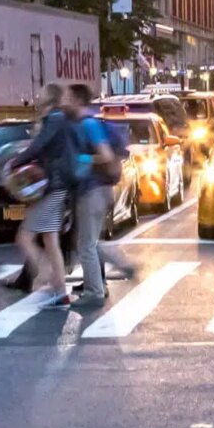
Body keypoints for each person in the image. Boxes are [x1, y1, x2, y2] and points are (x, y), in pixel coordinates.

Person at [7, 83, 80, 306]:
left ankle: (46, 275)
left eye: (41, 95)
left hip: (52, 186)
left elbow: (39, 145)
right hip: (58, 185)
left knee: (25, 237)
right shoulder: (62, 118)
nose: (37, 97)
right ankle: (60, 291)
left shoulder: (55, 118)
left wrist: (15, 162)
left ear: (49, 98)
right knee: (50, 239)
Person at [68, 84, 134, 304]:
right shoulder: (86, 123)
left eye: (68, 97)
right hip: (97, 190)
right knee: (90, 242)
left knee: (85, 244)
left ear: (78, 101)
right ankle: (122, 266)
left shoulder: (88, 124)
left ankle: (94, 292)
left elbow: (105, 155)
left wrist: (82, 159)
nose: (65, 101)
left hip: (93, 190)